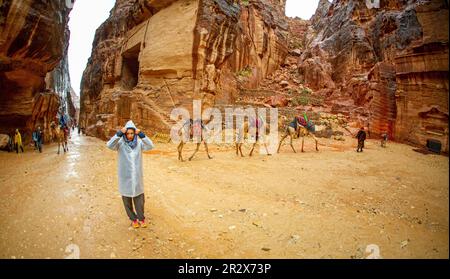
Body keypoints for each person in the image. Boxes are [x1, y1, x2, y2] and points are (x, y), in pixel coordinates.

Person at [107, 120, 154, 229]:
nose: (130, 136)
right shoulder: (120, 144)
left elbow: (151, 146)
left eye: (132, 133)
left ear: (135, 133)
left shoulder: (140, 143)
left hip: (137, 177)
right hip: (125, 176)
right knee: (127, 199)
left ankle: (141, 218)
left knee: (139, 199)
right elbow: (109, 145)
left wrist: (141, 134)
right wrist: (118, 134)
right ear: (124, 134)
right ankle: (133, 219)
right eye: (127, 133)